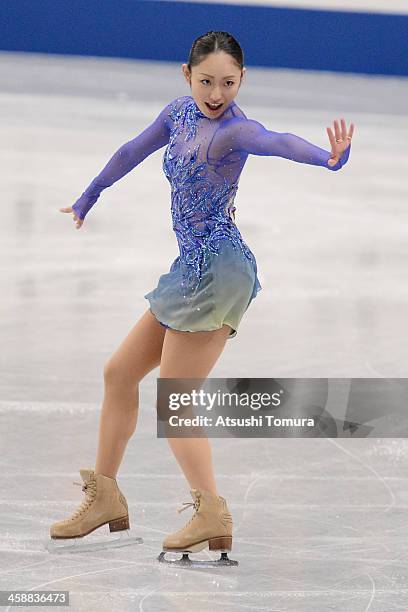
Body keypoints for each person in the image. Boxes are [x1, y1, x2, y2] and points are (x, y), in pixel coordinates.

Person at [50, 31, 354, 565]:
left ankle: (211, 510)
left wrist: (327, 159)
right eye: (207, 81)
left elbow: (276, 140)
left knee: (177, 395)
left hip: (221, 270)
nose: (216, 93)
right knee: (120, 373)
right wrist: (90, 193)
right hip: (189, 267)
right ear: (186, 75)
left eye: (229, 82)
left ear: (243, 80)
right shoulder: (177, 114)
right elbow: (130, 151)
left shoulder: (234, 131)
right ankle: (106, 497)